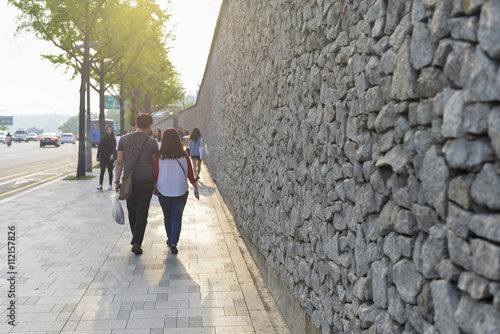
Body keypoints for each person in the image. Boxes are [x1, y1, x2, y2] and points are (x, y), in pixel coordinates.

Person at [115, 113, 158, 255]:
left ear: (137, 124)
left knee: (132, 211)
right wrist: (156, 182)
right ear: (149, 125)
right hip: (146, 180)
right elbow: (153, 164)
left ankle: (136, 239)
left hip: (129, 180)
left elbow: (119, 162)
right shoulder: (152, 142)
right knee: (142, 212)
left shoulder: (123, 139)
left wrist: (116, 181)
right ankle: (137, 241)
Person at [154, 128, 199, 254]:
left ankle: (170, 238)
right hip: (180, 190)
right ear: (177, 139)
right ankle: (174, 242)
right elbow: (190, 173)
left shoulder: (159, 155)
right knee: (177, 217)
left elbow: (155, 172)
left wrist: (154, 185)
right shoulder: (183, 154)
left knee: (167, 216)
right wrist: (195, 188)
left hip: (163, 191)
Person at [96, 126, 117, 190]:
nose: (109, 131)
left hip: (110, 157)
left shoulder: (113, 139)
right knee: (102, 170)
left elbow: (114, 148)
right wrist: (98, 156)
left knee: (110, 170)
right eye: (108, 129)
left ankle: (110, 184)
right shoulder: (103, 139)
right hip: (103, 156)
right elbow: (99, 147)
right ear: (106, 130)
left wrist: (113, 154)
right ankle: (100, 184)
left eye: (110, 129)